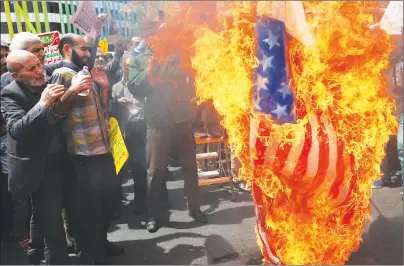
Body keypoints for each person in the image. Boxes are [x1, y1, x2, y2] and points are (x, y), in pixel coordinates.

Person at [0, 50, 84, 264]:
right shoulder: (10, 93)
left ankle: (35, 255)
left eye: (39, 64)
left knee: (44, 214)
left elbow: (76, 59)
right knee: (52, 223)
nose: (39, 70)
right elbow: (17, 130)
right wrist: (43, 104)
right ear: (17, 76)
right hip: (37, 167)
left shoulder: (46, 76)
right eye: (31, 69)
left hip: (57, 159)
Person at [50, 33, 123, 264]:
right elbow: (52, 114)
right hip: (81, 156)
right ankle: (90, 257)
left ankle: (101, 243)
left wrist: (103, 88)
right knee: (86, 213)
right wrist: (72, 90)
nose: (89, 54)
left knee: (108, 203)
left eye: (90, 50)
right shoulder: (61, 74)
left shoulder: (86, 73)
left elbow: (100, 111)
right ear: (68, 49)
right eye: (84, 49)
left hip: (102, 150)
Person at [128, 18, 207, 233]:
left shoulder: (177, 52)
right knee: (155, 172)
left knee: (190, 168)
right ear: (146, 34)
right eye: (151, 31)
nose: (156, 35)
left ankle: (195, 208)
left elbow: (190, 76)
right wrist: (151, 72)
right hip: (158, 121)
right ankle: (154, 215)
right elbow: (135, 87)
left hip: (181, 117)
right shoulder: (138, 58)